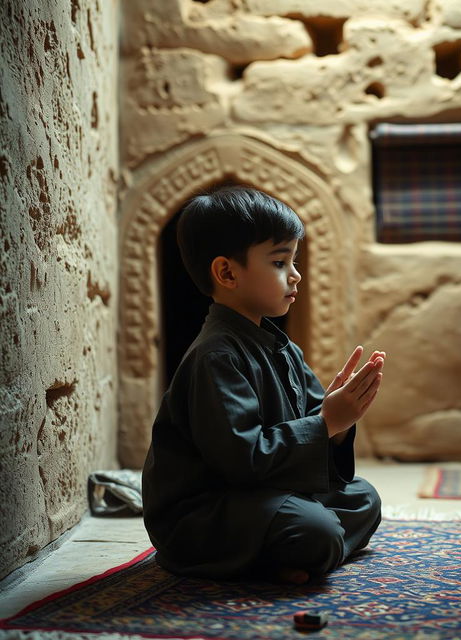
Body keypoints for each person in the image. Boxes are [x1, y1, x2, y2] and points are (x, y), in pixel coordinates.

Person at [142, 185, 385, 584]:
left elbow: (314, 422)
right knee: (316, 530)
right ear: (227, 272)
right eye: (279, 261)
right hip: (207, 511)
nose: (296, 274)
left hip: (260, 495)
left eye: (294, 259)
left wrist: (338, 421)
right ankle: (298, 552)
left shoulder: (280, 345)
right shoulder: (215, 356)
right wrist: (325, 423)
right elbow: (242, 459)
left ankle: (292, 555)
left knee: (364, 499)